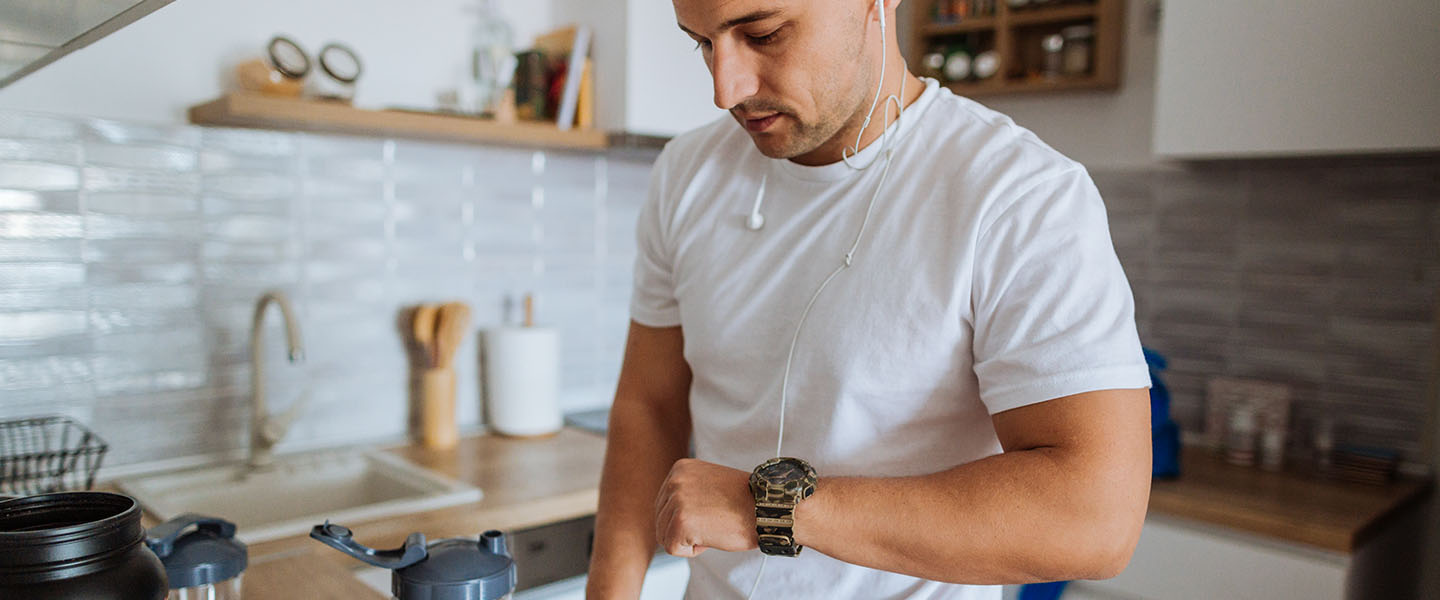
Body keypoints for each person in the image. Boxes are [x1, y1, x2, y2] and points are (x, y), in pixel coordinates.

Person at [586, 0, 1153, 598]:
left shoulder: (1018, 195)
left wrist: (771, 508)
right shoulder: (686, 173)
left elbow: (1095, 520)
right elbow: (649, 406)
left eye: (765, 33)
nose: (727, 89)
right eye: (701, 43)